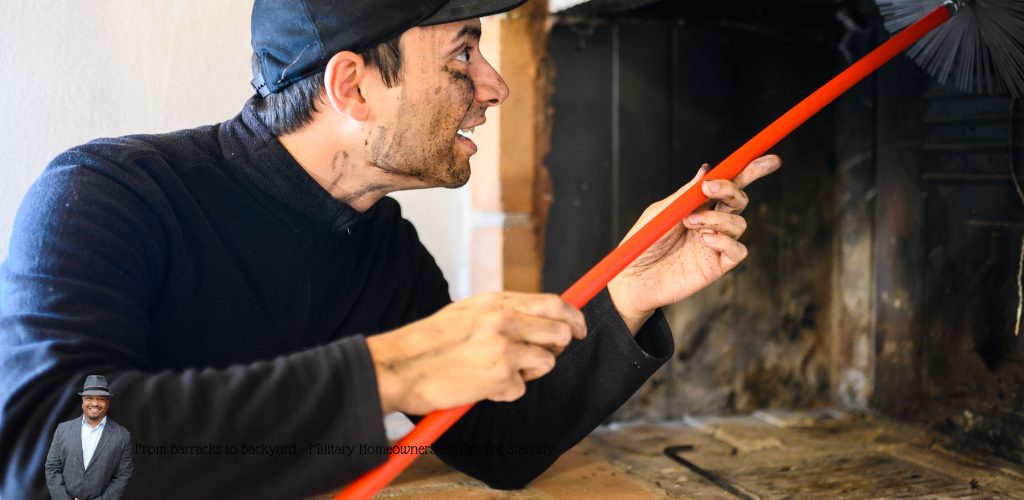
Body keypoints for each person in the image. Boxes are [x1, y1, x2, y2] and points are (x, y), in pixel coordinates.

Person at [0, 0, 780, 498]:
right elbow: (47, 460)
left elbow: (495, 443)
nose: (494, 85)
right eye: (462, 56)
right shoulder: (107, 195)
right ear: (352, 88)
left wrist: (632, 291)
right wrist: (395, 367)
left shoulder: (382, 249)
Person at [44, 375, 133, 500]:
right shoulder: (62, 429)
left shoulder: (122, 435)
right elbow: (52, 467)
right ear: (83, 401)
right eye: (89, 398)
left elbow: (123, 475)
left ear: (107, 401)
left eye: (101, 399)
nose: (95, 403)